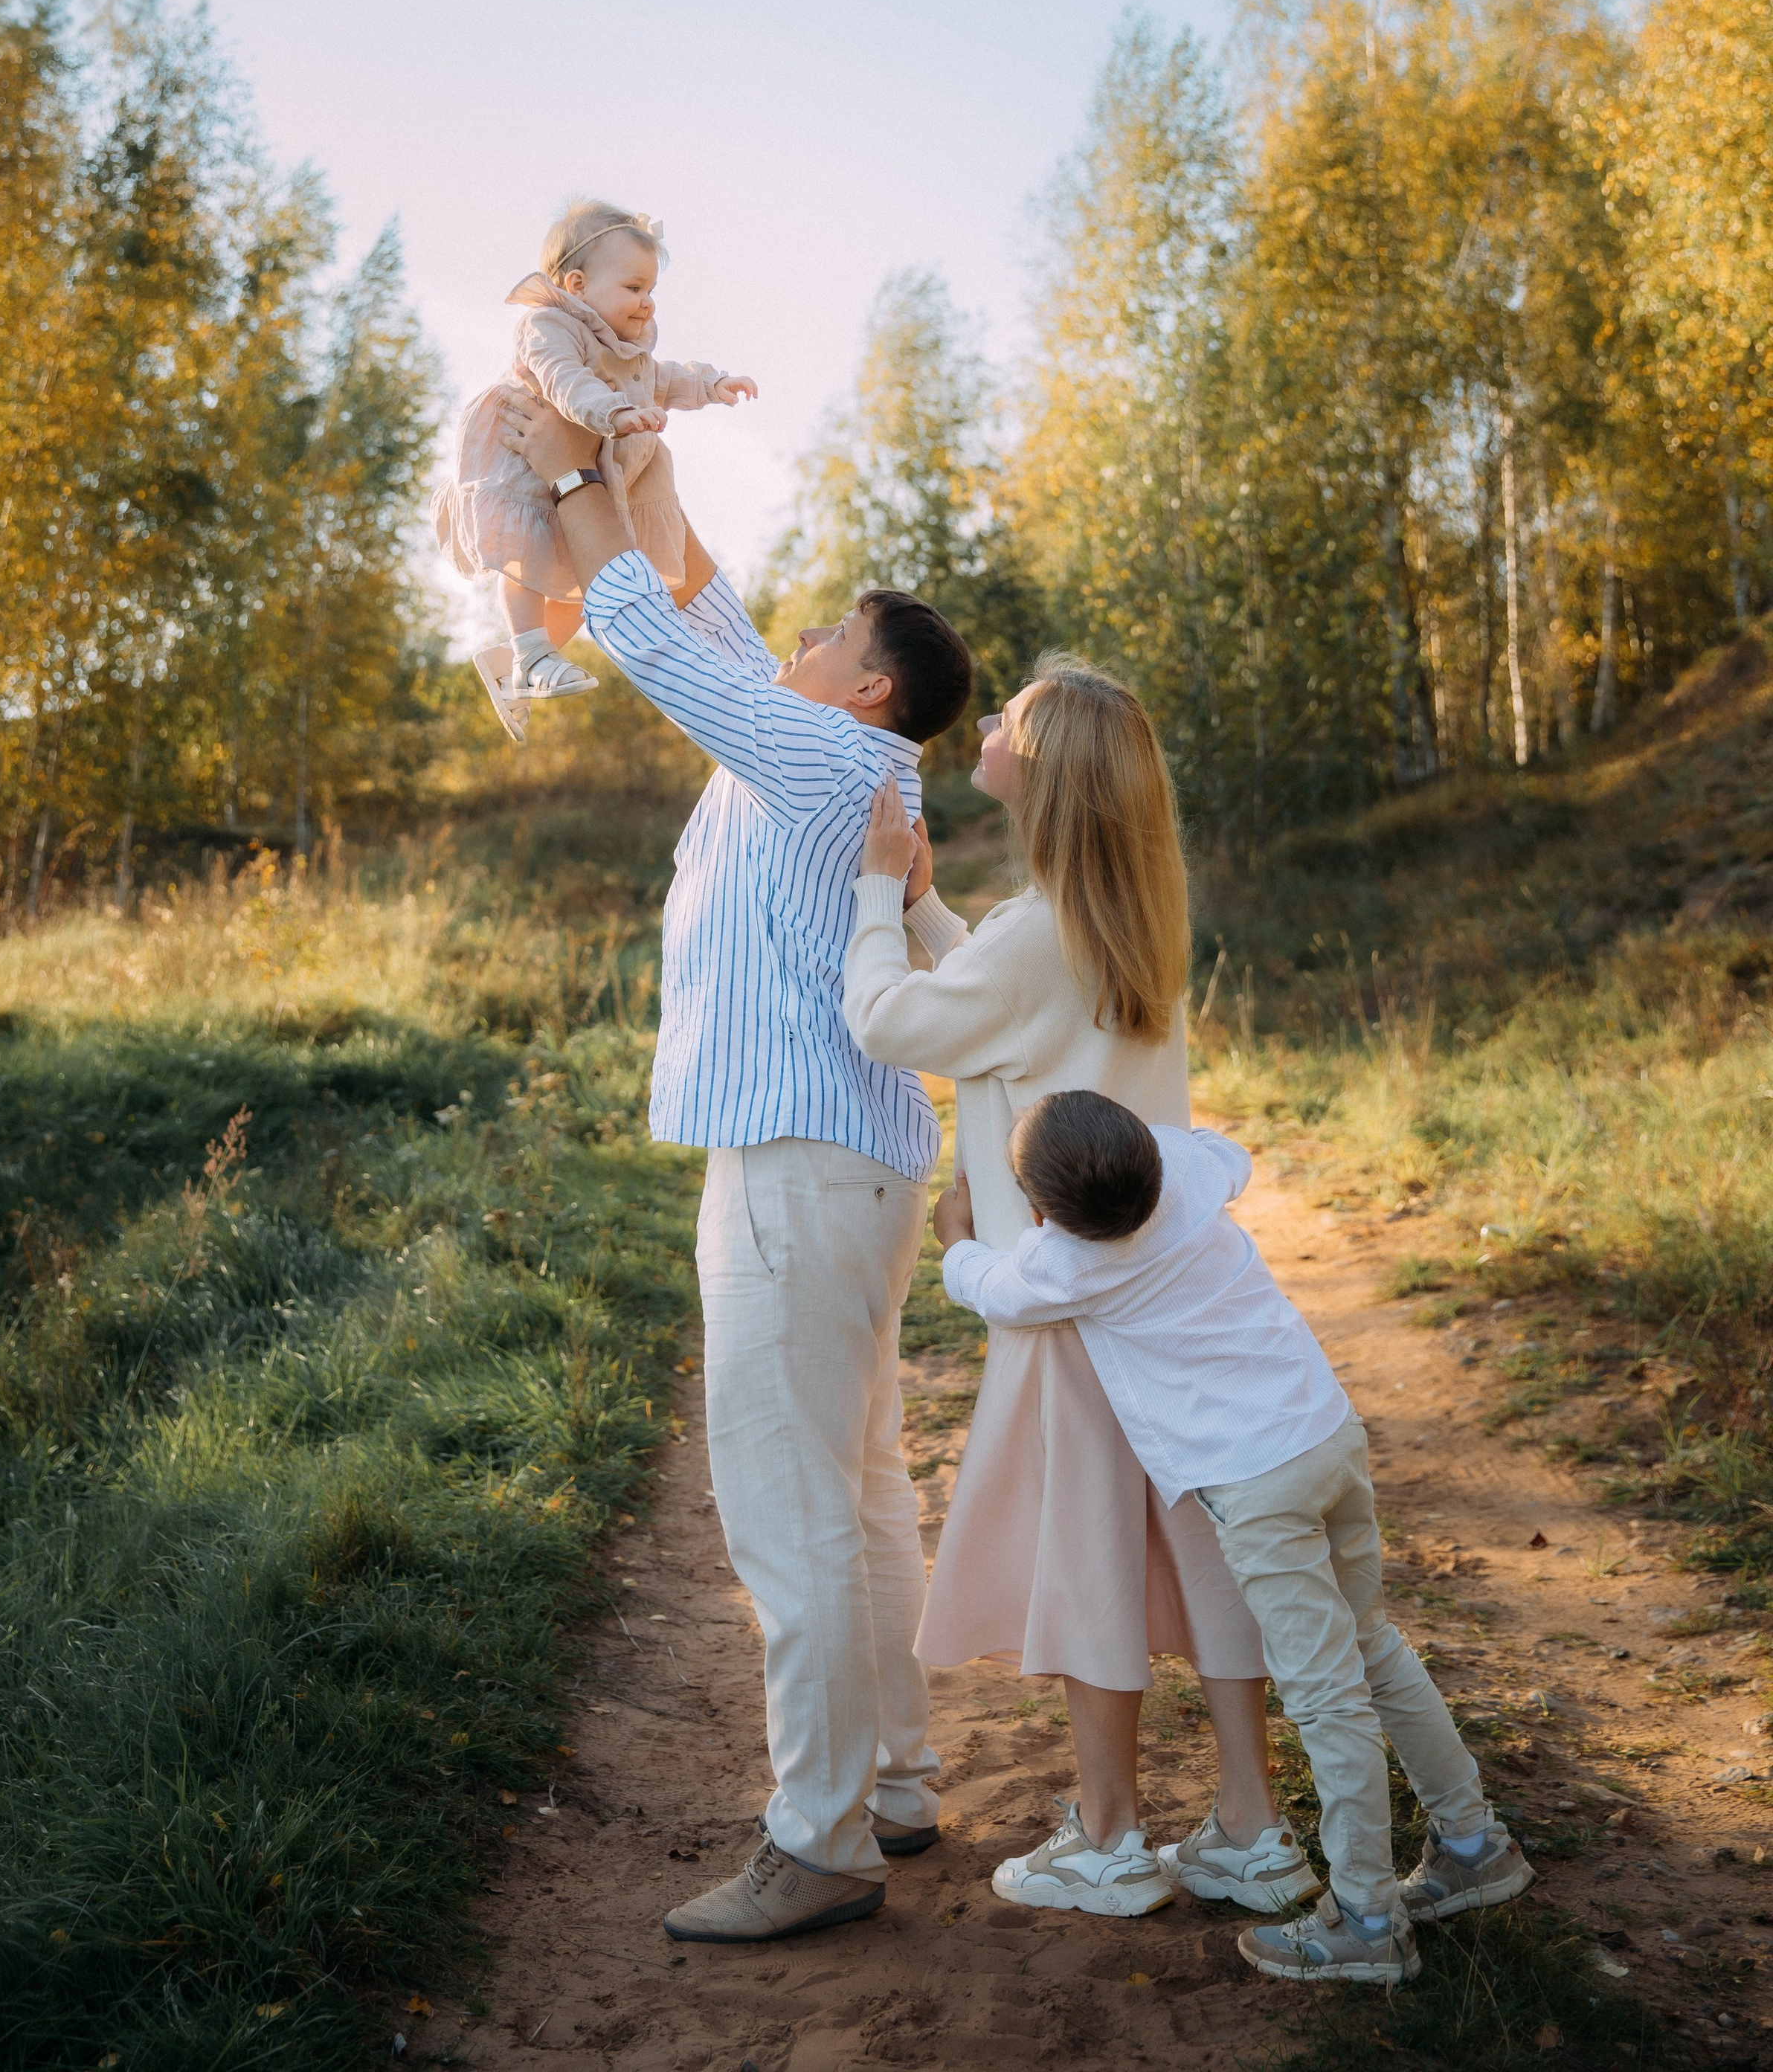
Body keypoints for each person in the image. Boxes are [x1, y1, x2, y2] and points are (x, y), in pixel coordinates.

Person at [489, 381, 974, 1945]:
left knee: (788, 1507)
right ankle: (892, 1784)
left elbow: (648, 634)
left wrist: (561, 474)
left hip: (793, 1169)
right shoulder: (833, 756)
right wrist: (630, 465)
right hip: (845, 1167)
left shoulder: (826, 764)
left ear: (869, 687)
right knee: (863, 1489)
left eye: (830, 640)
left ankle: (817, 1840)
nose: (799, 645)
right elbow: (699, 595)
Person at [843, 660, 1307, 1925]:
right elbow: (1005, 1003)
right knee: (1195, 1553)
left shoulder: (1040, 934)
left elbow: (894, 1023)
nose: (987, 723)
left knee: (1092, 1556)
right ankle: (1253, 1829)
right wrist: (940, 916)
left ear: (1041, 772)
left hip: (1068, 1305)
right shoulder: (1118, 915)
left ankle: (1108, 1837)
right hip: (1161, 1288)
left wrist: (882, 893)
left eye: (1009, 720)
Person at [933, 1084, 1537, 1985]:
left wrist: (955, 1236)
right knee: (1371, 1644)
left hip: (1257, 1486)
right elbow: (1230, 1152)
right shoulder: (1187, 1168)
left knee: (1327, 1696)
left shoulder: (1066, 1263)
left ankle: (1370, 1920)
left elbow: (990, 1288)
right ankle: (1472, 1841)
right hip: (1327, 1434)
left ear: (1039, 1214)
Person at [431, 199, 756, 732]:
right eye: (634, 288)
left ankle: (510, 662)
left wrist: (711, 386)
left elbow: (665, 378)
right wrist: (616, 411)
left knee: (586, 588)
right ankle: (530, 653)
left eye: (651, 290)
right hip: (530, 461)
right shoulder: (548, 325)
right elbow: (564, 379)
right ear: (577, 285)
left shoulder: (629, 350)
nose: (647, 303)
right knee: (528, 556)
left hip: (592, 470)